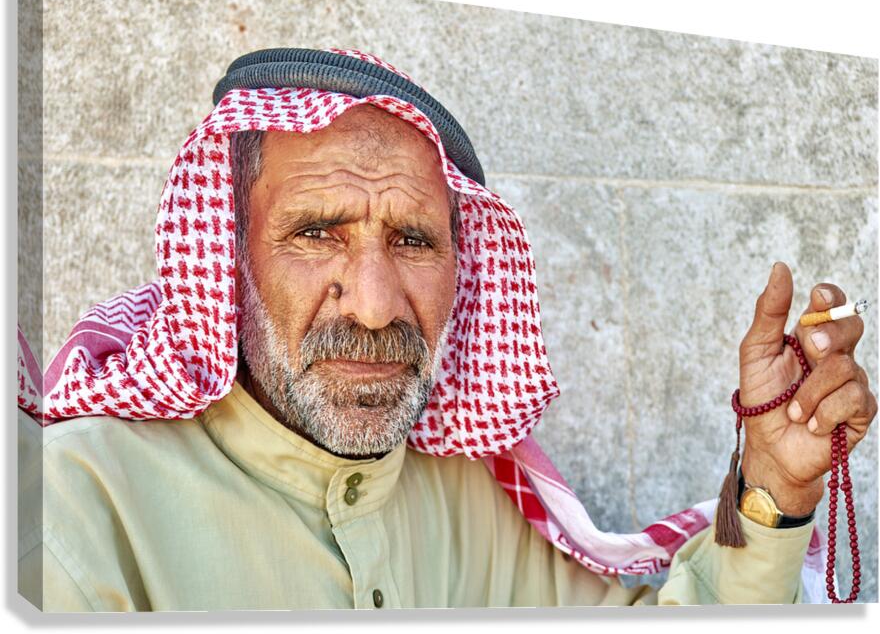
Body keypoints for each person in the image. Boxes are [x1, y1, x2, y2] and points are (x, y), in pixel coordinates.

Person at [18, 48, 876, 611]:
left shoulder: (471, 499)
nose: (375, 303)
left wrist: (771, 488)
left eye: (415, 240)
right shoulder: (77, 506)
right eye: (317, 232)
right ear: (227, 254)